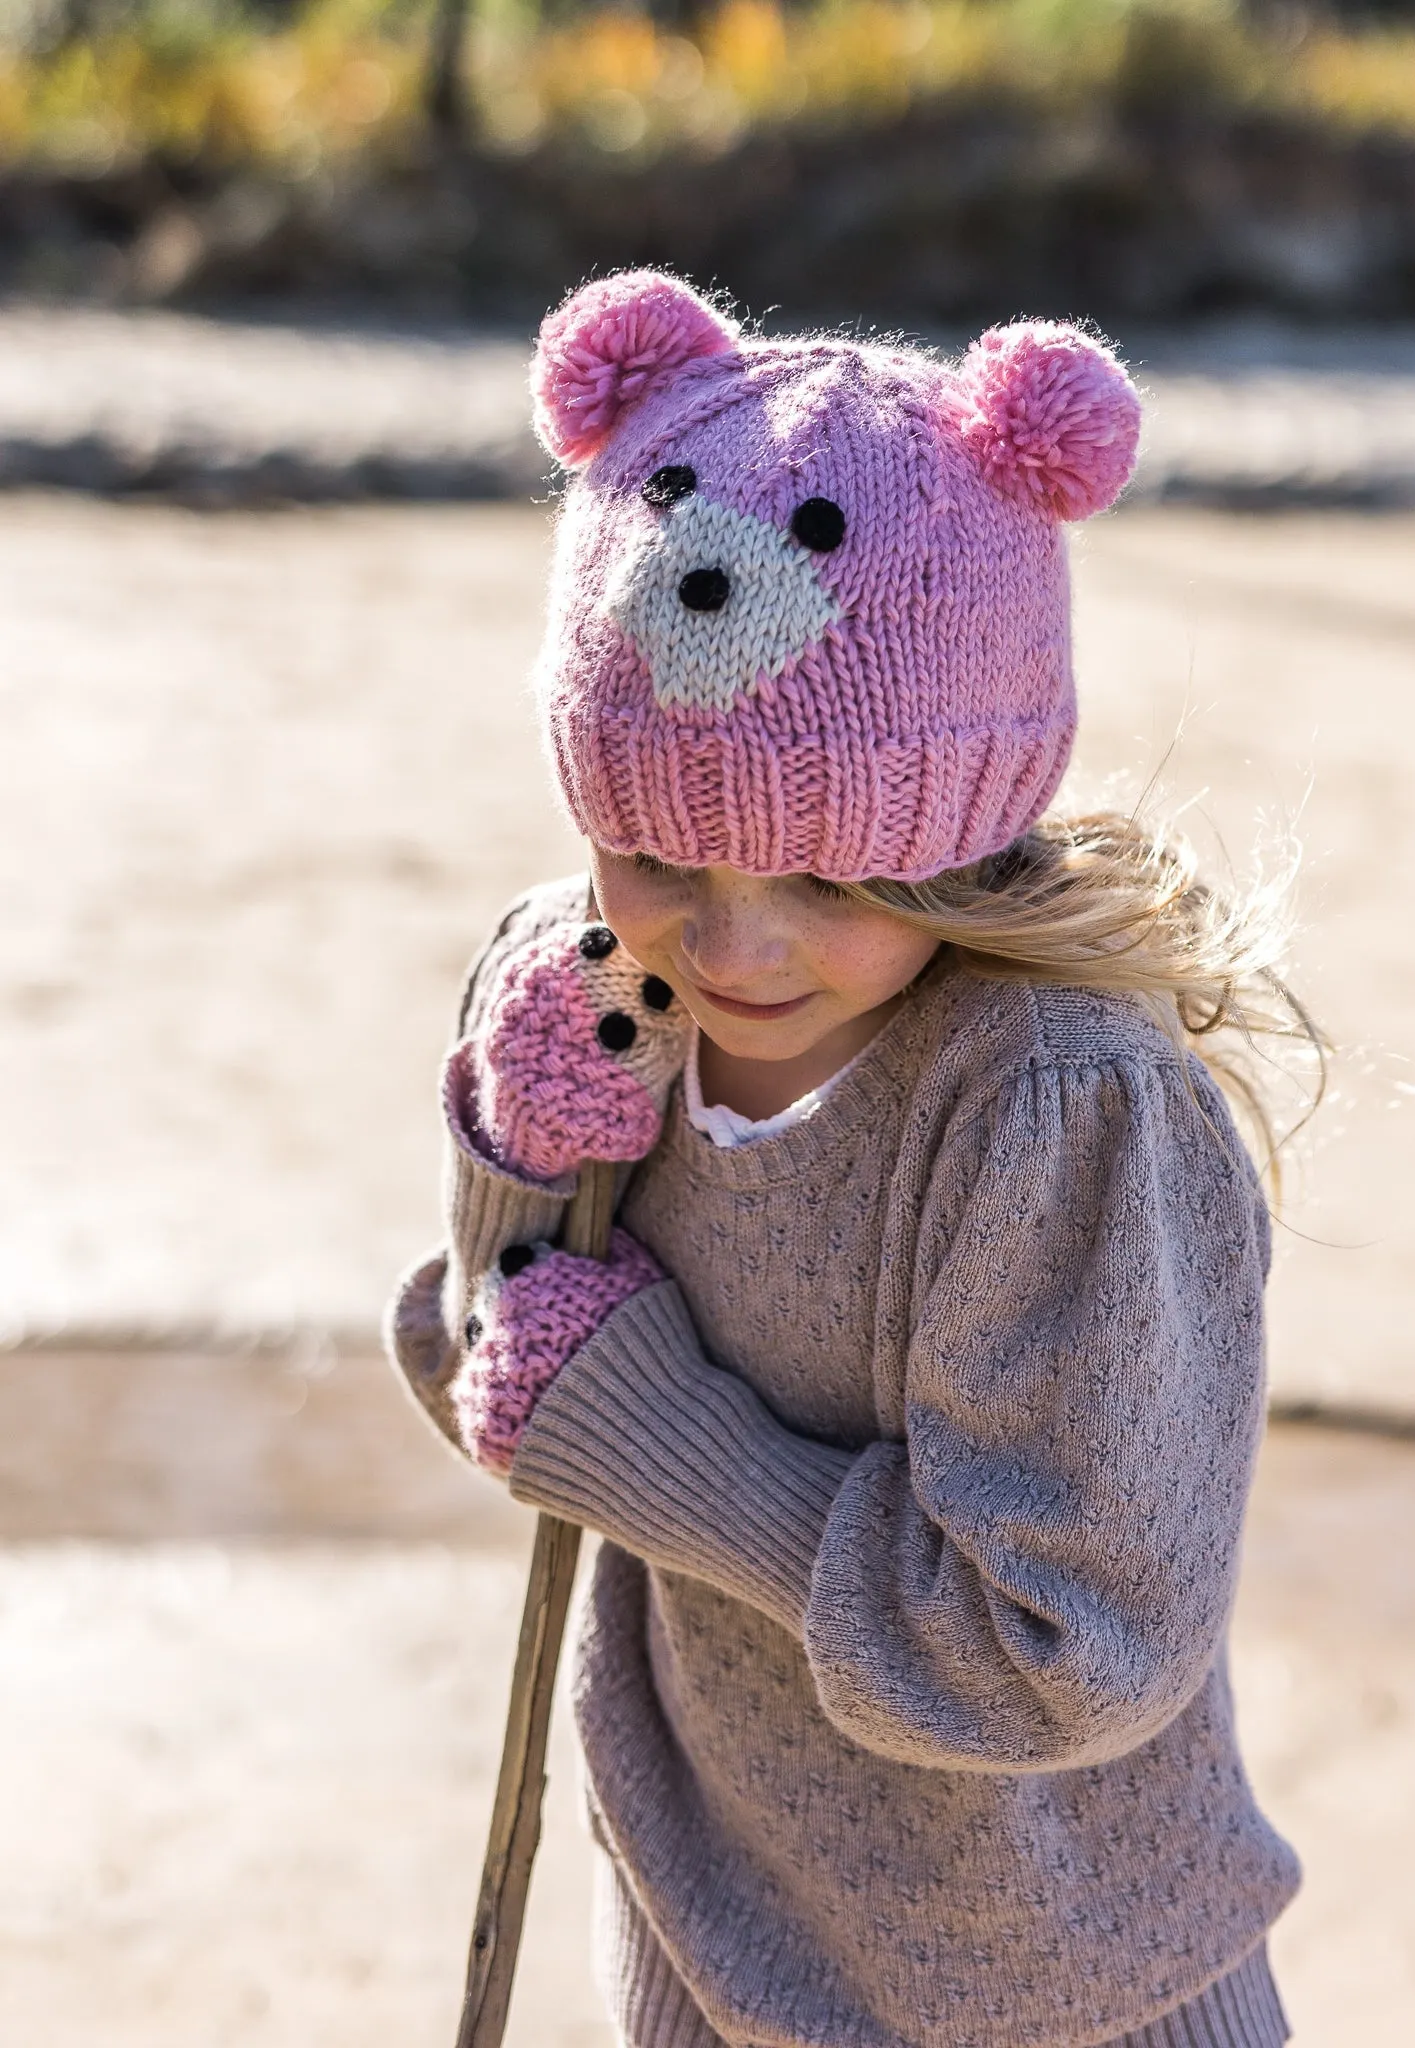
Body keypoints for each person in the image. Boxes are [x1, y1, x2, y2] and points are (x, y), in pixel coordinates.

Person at [387, 269, 1315, 2048]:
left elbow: (1065, 1644)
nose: (732, 945)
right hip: (701, 1918)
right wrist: (515, 1165)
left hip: (1050, 1979)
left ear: (964, 829)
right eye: (655, 850)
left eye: (830, 877)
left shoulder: (1057, 1108)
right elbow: (493, 1368)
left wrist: (651, 1439)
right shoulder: (590, 980)